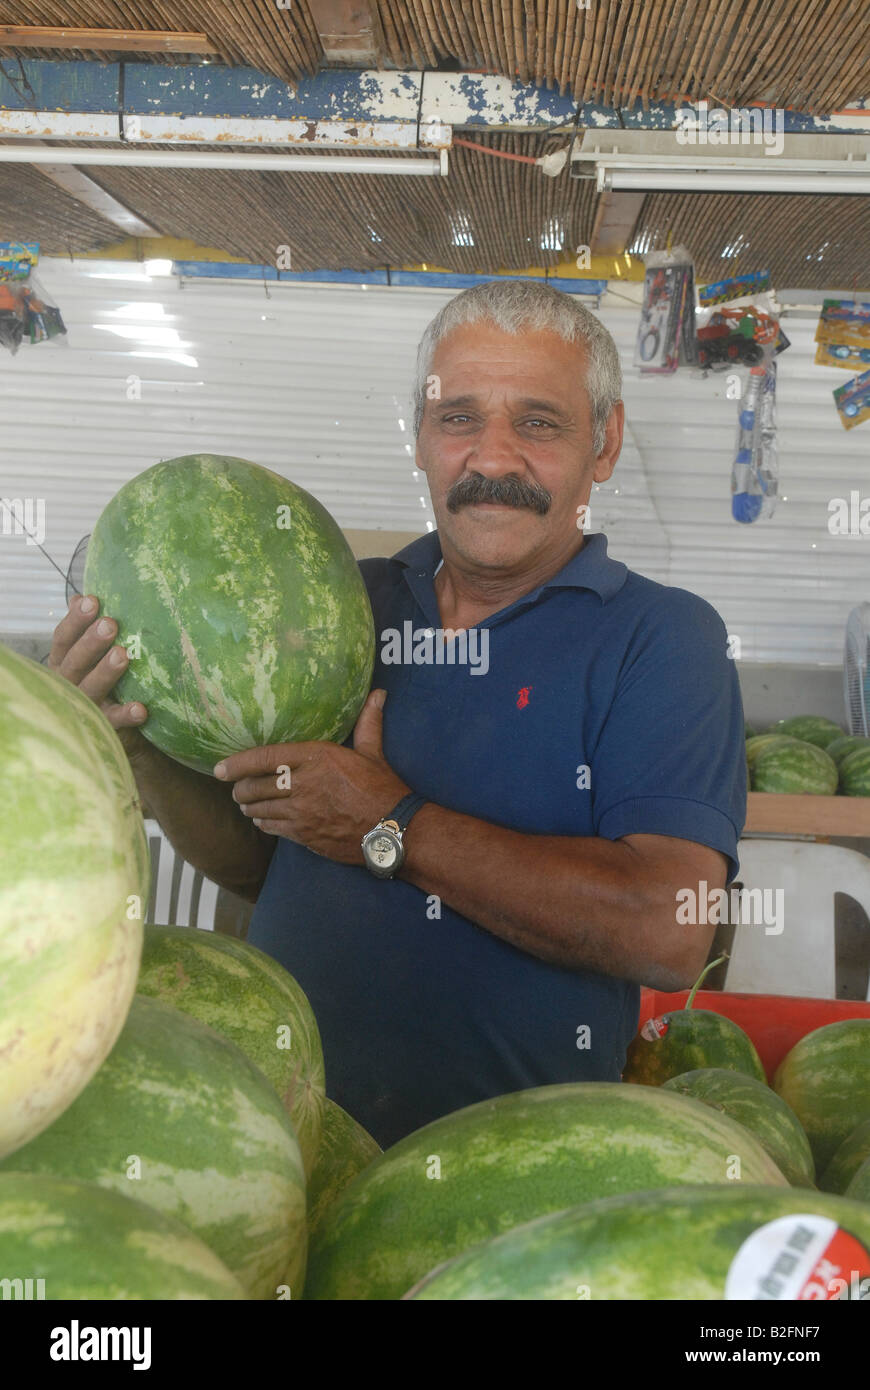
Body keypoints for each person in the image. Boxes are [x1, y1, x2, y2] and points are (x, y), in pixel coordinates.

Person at [50, 279, 746, 1148]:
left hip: (513, 1165)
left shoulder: (663, 636)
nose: (492, 458)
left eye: (537, 421)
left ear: (602, 444)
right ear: (419, 437)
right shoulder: (341, 604)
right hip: (276, 1132)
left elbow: (666, 928)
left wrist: (391, 824)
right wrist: (136, 732)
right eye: (458, 418)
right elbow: (256, 865)